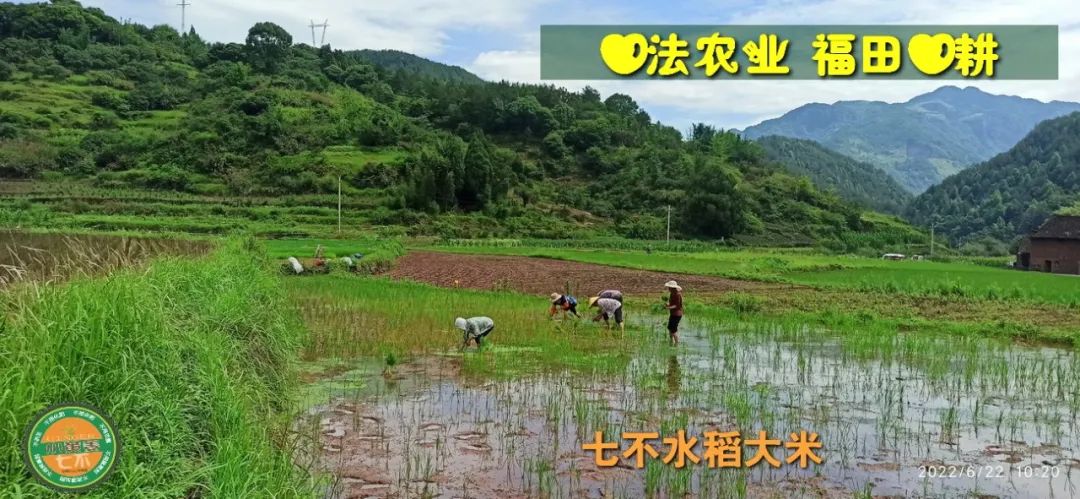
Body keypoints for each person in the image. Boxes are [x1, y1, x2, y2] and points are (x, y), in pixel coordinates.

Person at [664, 280, 683, 345]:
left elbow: (677, 305)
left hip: (677, 314)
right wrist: (668, 304)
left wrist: (668, 307)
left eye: (669, 287)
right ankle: (671, 341)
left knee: (673, 330)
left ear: (673, 288)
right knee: (669, 327)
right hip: (672, 313)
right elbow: (672, 303)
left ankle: (676, 344)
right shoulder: (672, 294)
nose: (668, 288)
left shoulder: (678, 294)